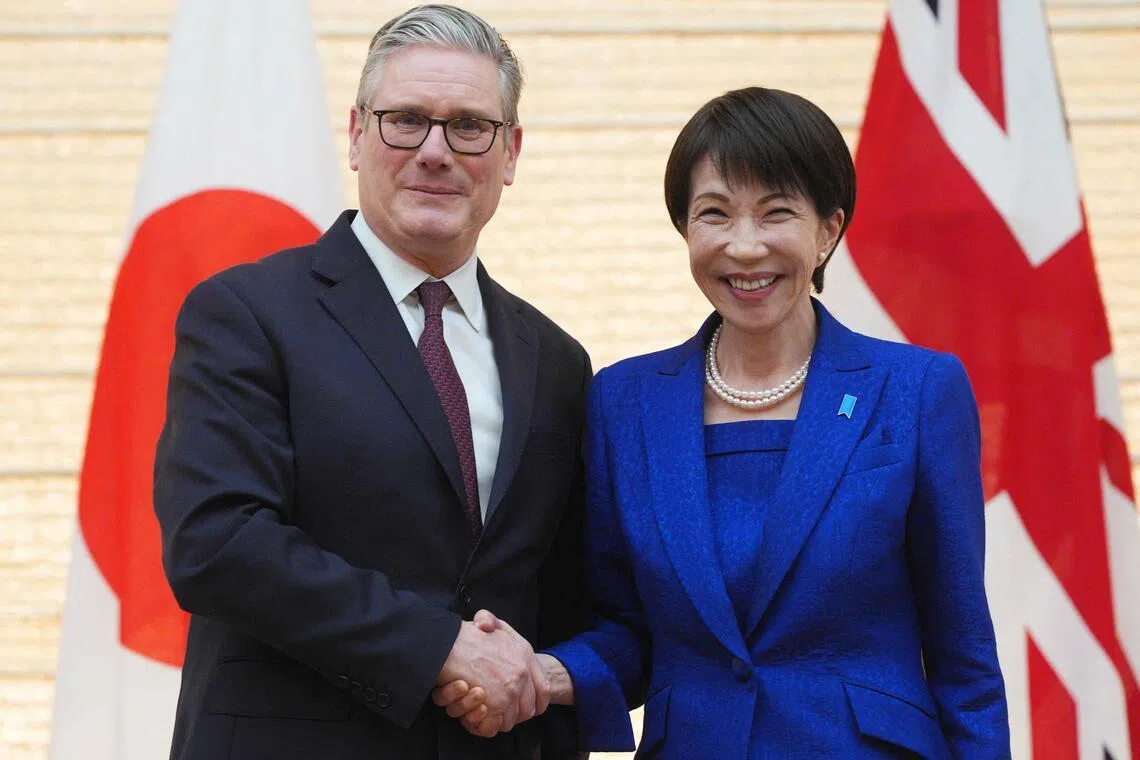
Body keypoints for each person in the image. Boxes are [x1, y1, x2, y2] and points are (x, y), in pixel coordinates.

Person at [437, 86, 1011, 757]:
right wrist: (546, 674)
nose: (744, 247)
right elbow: (626, 627)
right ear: (685, 228)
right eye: (715, 214)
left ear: (828, 230)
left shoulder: (916, 391)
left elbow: (962, 651)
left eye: (776, 214)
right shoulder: (623, 402)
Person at [152, 5, 591, 759]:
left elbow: (564, 596)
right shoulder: (246, 313)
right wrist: (437, 648)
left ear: (510, 152)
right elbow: (217, 543)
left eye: (469, 126)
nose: (435, 151)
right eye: (406, 120)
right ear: (357, 134)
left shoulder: (557, 361)